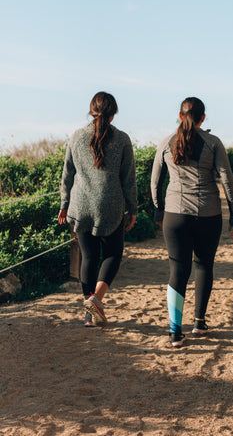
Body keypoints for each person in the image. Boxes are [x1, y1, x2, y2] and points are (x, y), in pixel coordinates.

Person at [151, 96, 233, 347]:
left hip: (175, 215)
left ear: (180, 116)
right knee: (203, 266)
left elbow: (155, 181)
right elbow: (227, 180)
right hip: (208, 214)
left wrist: (158, 210)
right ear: (203, 118)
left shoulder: (166, 142)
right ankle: (199, 322)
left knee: (178, 270)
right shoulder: (213, 143)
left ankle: (174, 332)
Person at [58, 92, 137, 327]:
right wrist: (132, 208)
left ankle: (89, 314)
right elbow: (128, 180)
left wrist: (64, 205)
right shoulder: (122, 139)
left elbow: (67, 175)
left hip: (80, 205)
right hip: (110, 206)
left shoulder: (76, 137)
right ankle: (96, 301)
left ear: (92, 111)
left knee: (89, 257)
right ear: (113, 115)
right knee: (113, 254)